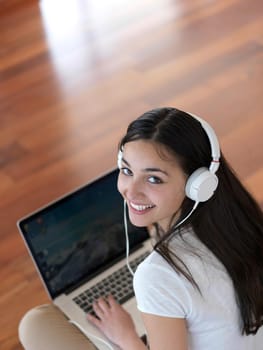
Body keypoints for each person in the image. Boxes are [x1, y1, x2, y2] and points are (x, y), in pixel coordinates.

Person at [19, 107, 263, 350]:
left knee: (36, 324)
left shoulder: (158, 275)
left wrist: (128, 338)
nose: (130, 192)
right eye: (127, 170)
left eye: (154, 178)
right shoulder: (245, 225)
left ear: (197, 184)